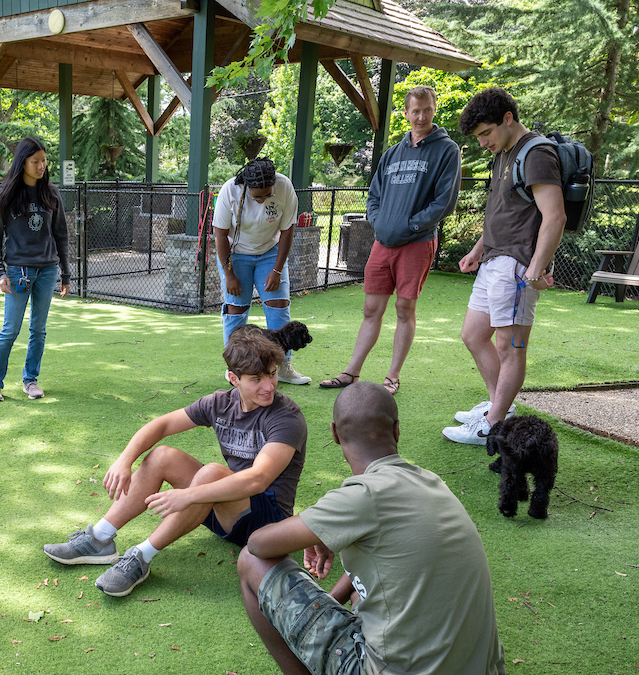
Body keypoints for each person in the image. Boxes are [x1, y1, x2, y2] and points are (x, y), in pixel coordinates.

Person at [236, 381, 505, 675]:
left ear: (333, 434)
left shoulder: (361, 497)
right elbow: (394, 561)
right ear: (397, 429)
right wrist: (332, 573)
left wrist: (315, 522)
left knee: (251, 563)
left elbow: (259, 545)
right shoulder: (431, 482)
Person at [43, 326, 307, 597]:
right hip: (225, 510)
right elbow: (162, 424)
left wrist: (189, 495)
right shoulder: (220, 403)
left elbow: (257, 479)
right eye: (256, 379)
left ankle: (141, 557)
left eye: (273, 374)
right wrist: (124, 460)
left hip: (268, 526)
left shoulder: (286, 417)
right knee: (162, 456)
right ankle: (99, 538)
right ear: (233, 378)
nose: (269, 386)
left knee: (212, 473)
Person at [320, 87, 461, 396]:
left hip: (417, 242)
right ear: (407, 114)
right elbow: (374, 196)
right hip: (383, 243)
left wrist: (411, 224)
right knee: (371, 309)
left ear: (434, 109)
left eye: (426, 110)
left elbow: (444, 202)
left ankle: (392, 377)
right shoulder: (393, 153)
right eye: (415, 111)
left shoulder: (447, 150)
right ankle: (351, 372)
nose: (421, 116)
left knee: (403, 310)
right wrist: (379, 221)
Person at [443, 88, 565, 445]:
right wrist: (478, 250)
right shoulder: (504, 152)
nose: (483, 142)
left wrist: (535, 268)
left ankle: (493, 425)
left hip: (516, 267)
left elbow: (554, 216)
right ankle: (500, 405)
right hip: (494, 260)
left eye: (486, 133)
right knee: (473, 334)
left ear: (508, 119)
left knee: (509, 347)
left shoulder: (538, 153)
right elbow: (502, 211)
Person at [0, 136, 70, 402]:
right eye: (36, 161)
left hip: (47, 270)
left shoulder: (51, 193)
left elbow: (62, 236)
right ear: (23, 162)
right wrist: (0, 272)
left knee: (39, 329)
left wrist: (66, 273)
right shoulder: (5, 195)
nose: (42, 166)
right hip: (17, 272)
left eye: (44, 160)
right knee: (10, 329)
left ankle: (30, 380)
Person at [212, 157, 310, 386]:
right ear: (246, 186)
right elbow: (219, 235)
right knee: (236, 309)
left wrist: (277, 270)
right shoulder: (231, 191)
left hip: (269, 251)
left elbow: (287, 231)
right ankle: (236, 368)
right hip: (235, 253)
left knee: (278, 304)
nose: (263, 200)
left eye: (268, 195)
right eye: (258, 196)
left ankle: (282, 365)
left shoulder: (285, 188)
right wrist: (229, 275)